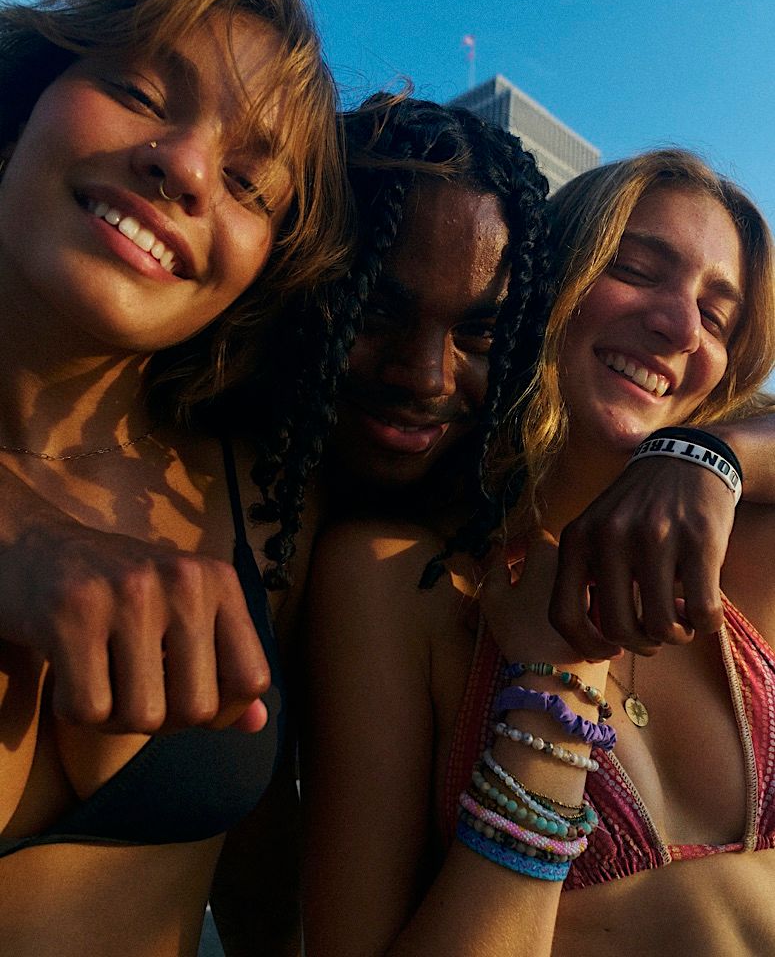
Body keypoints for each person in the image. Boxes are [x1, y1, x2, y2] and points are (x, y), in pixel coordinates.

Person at [302, 148, 775, 955]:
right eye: (633, 268)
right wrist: (552, 698)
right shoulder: (399, 581)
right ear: (541, 284)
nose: (678, 324)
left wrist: (710, 454)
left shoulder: (746, 549)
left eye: (717, 313)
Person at [0, 0, 352, 957]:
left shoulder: (268, 500)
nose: (186, 166)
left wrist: (705, 459)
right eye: (144, 93)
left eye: (250, 184)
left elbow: (266, 906)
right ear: (21, 109)